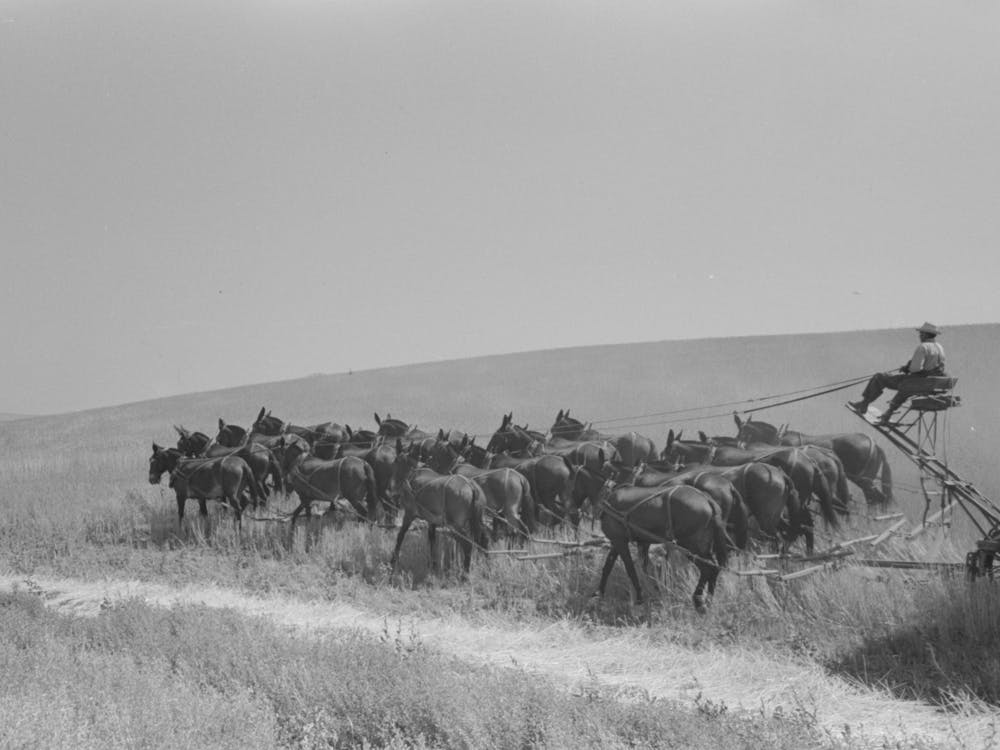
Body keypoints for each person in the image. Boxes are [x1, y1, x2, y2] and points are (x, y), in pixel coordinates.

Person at [849, 322, 946, 424]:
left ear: (926, 334)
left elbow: (915, 369)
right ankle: (887, 412)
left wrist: (906, 368)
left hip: (918, 382)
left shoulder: (923, 347)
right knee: (907, 384)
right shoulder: (940, 347)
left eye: (921, 333)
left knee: (879, 377)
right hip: (930, 383)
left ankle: (864, 404)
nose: (919, 336)